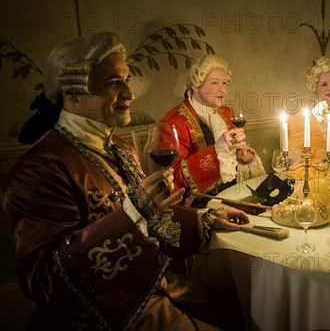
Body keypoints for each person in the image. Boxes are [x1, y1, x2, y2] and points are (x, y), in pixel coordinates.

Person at [1, 32, 250, 330]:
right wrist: (134, 212)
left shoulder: (119, 146)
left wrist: (204, 219)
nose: (129, 93)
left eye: (126, 79)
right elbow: (44, 281)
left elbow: (150, 215)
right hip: (104, 314)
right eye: (112, 83)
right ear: (72, 93)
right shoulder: (39, 169)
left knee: (242, 306)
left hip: (156, 284)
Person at [160, 54, 265, 207]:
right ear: (196, 85)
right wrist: (218, 150)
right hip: (198, 204)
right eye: (215, 83)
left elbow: (230, 159)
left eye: (225, 83)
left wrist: (241, 154)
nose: (222, 89)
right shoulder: (173, 122)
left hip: (231, 194)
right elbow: (172, 181)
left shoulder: (227, 113)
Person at [287, 56, 330, 179]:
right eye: (324, 84)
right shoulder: (302, 117)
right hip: (318, 170)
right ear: (315, 87)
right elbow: (293, 153)